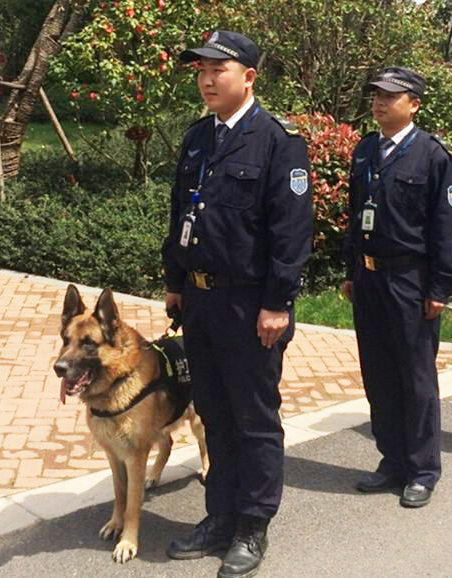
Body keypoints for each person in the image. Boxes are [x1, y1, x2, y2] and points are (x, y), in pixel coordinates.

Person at [161, 30, 312, 578]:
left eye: (217, 70)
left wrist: (278, 303)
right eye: (200, 70)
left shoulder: (277, 141)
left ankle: (253, 523)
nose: (206, 80)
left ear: (248, 77)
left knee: (253, 418)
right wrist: (175, 281)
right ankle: (220, 515)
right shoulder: (198, 137)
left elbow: (291, 231)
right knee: (214, 413)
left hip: (250, 306)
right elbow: (181, 213)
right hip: (200, 302)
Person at [341, 67, 452, 508]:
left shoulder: (433, 156)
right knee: (378, 373)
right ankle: (391, 460)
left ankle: (422, 469)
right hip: (369, 277)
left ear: (414, 105)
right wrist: (351, 270)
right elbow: (355, 215)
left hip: (410, 280)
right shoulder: (366, 149)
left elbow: (447, 228)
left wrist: (440, 288)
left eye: (390, 96)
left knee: (415, 378)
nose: (380, 102)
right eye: (376, 95)